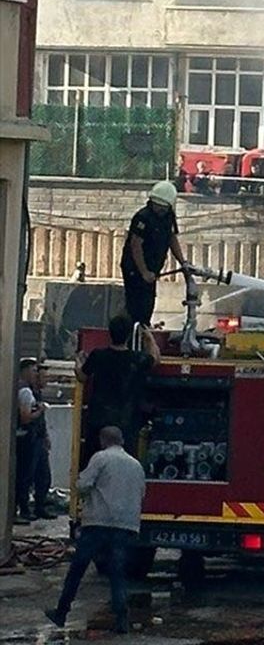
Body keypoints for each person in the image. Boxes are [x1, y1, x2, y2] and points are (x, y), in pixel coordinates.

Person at [46, 426, 145, 635]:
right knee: (117, 573)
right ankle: (121, 620)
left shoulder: (100, 458)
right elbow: (142, 493)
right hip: (125, 526)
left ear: (102, 440)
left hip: (98, 523)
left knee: (77, 570)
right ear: (123, 441)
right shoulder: (136, 465)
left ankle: (61, 613)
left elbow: (83, 485)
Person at [76, 315, 159, 459]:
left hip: (99, 420)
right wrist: (149, 338)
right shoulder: (137, 359)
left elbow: (82, 376)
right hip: (127, 421)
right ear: (128, 336)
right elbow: (155, 358)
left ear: (110, 333)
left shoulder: (98, 356)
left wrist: (78, 362)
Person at [120, 181, 187, 326]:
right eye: (158, 206)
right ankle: (134, 334)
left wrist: (183, 262)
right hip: (135, 268)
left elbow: (171, 238)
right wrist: (144, 272)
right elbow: (136, 245)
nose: (160, 210)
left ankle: (144, 329)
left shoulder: (168, 216)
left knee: (148, 303)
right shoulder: (143, 217)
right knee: (136, 305)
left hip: (153, 269)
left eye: (164, 207)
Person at [14, 358, 53, 523]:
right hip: (29, 439)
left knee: (41, 475)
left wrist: (44, 436)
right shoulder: (25, 392)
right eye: (34, 371)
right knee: (26, 476)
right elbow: (25, 418)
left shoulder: (33, 392)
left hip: (36, 438)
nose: (36, 375)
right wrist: (40, 410)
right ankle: (23, 509)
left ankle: (38, 507)